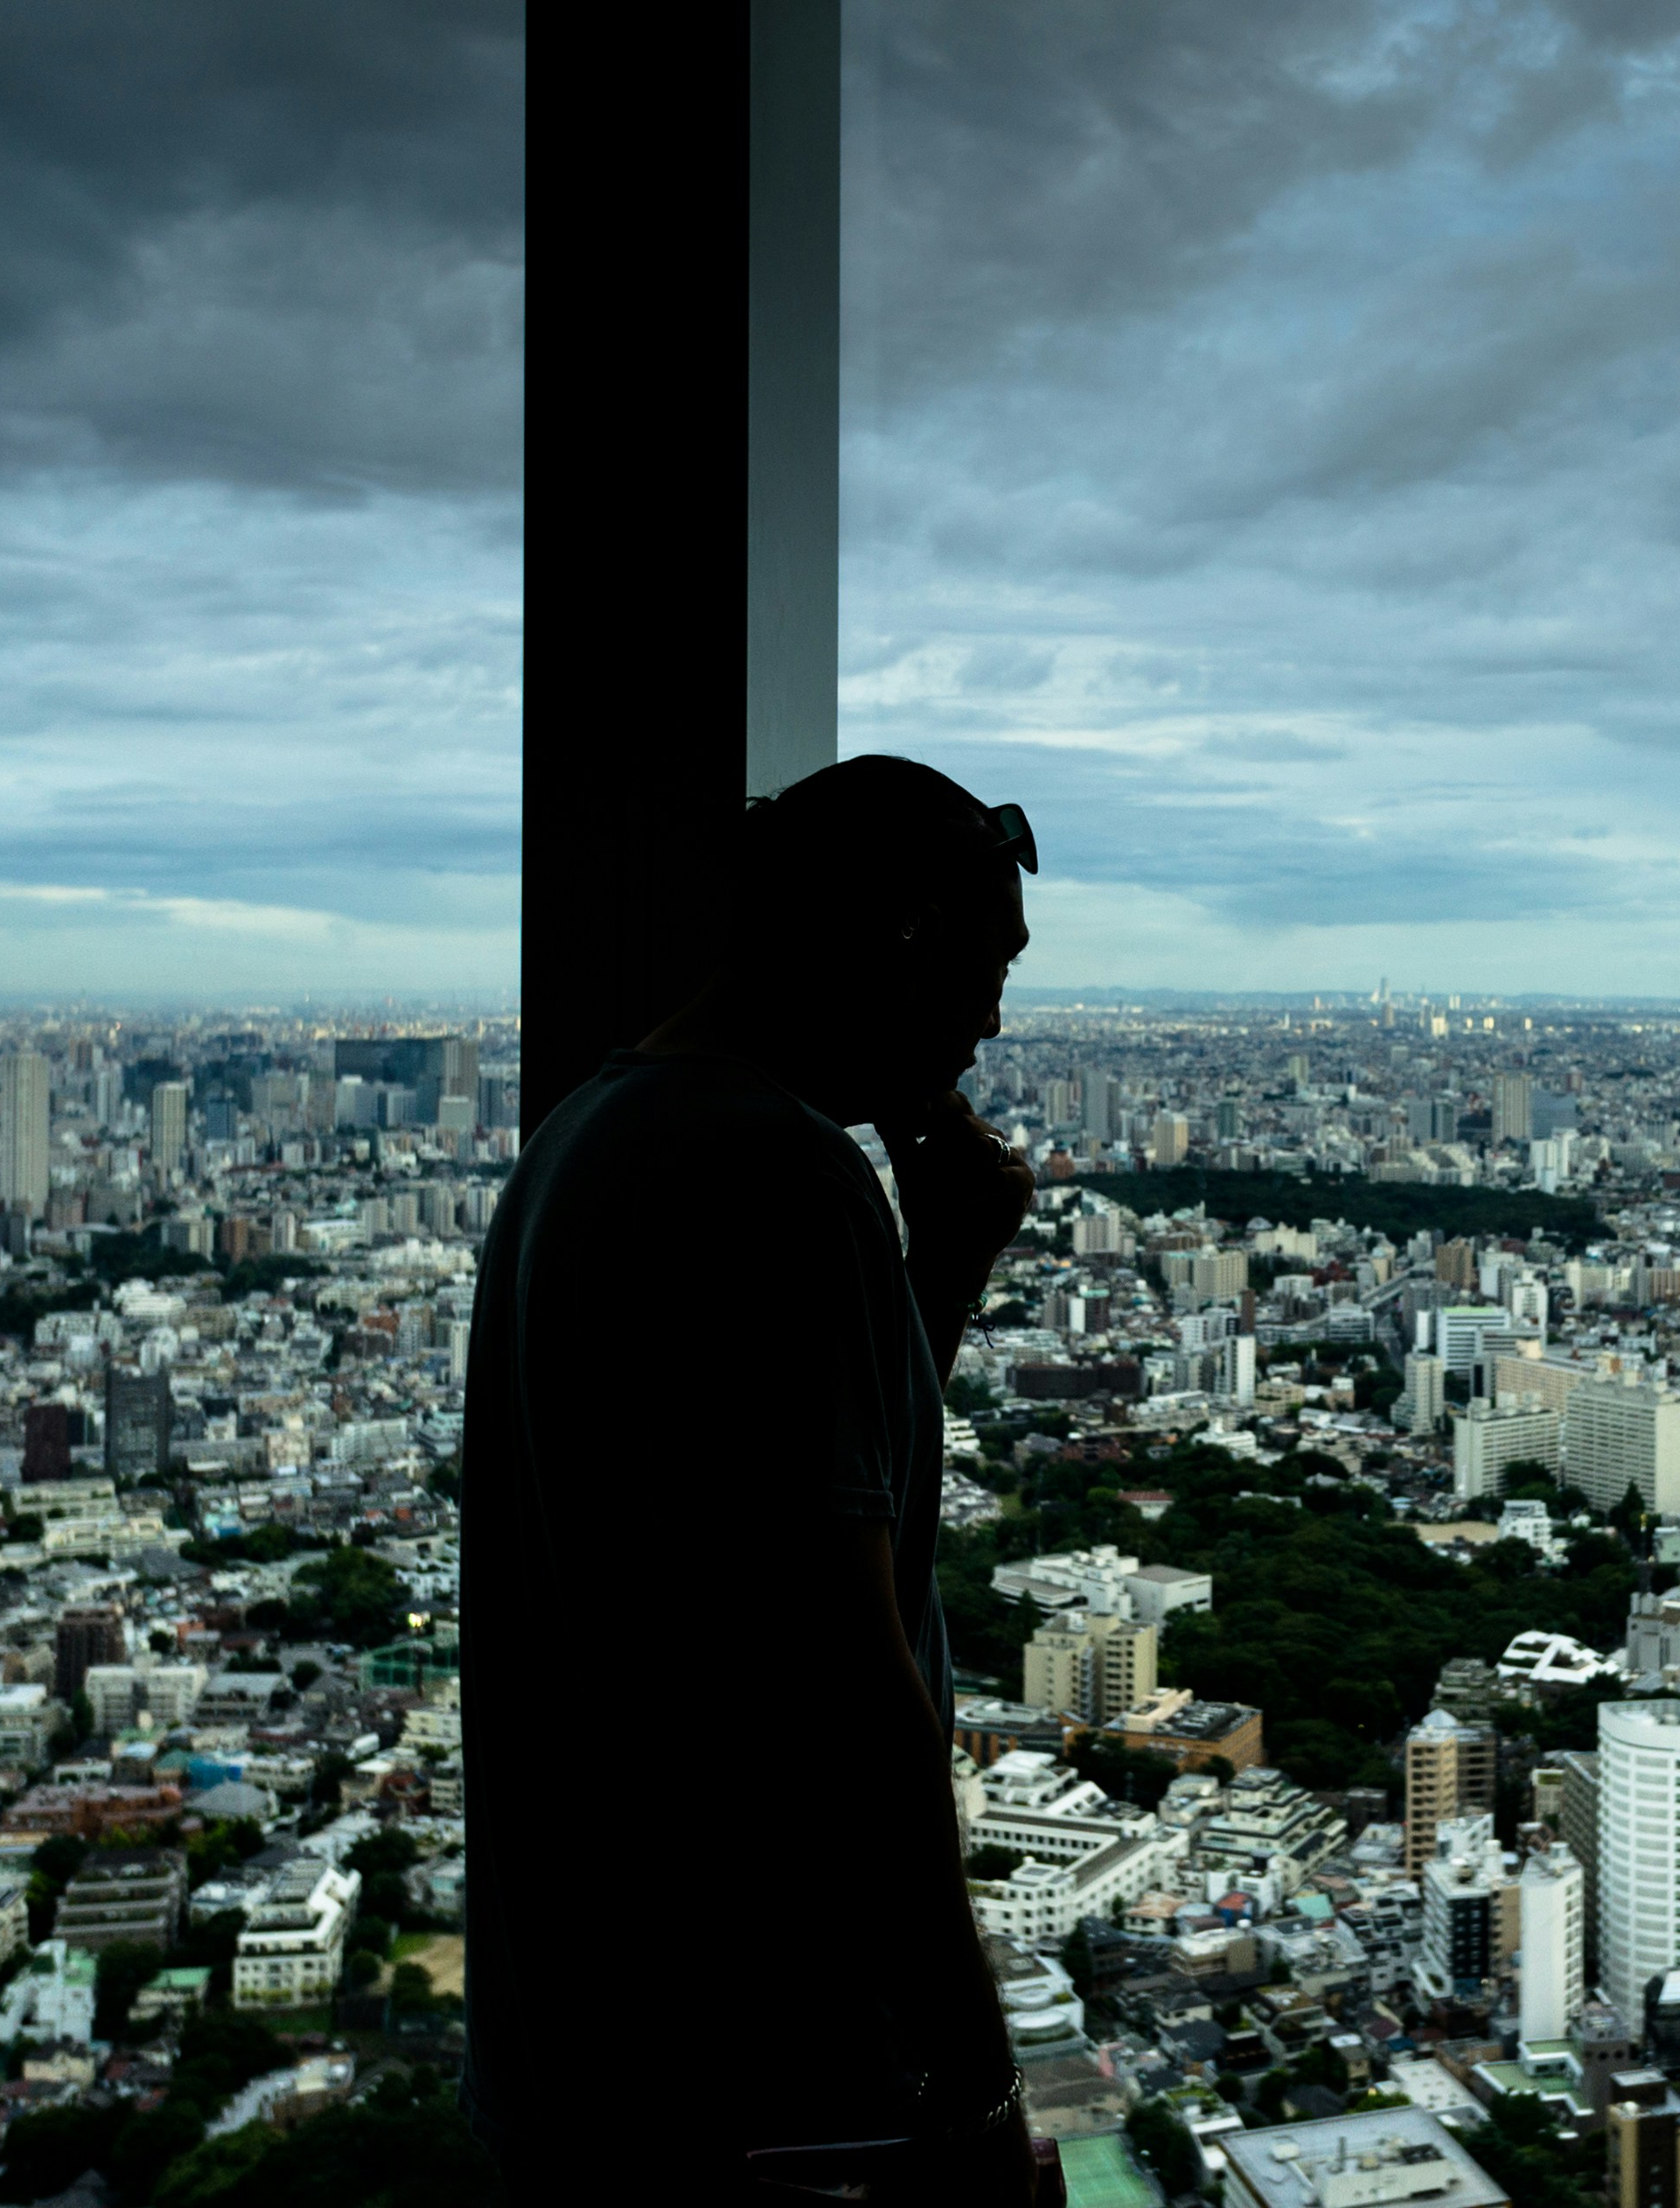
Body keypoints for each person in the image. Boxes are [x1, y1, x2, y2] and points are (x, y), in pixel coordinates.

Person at [461, 756, 1056, 2204]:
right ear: (895, 933)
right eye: (982, 964)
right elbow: (842, 1679)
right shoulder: (770, 1172)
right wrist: (972, 2074)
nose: (990, 1018)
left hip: (598, 2043)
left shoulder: (591, 1139)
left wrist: (946, 1269)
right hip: (761, 2063)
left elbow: (787, 1492)